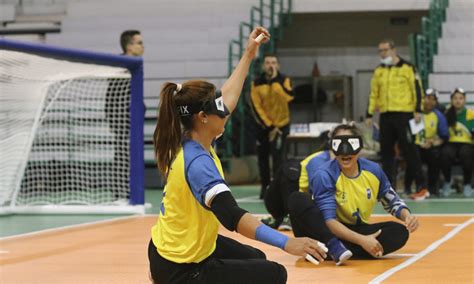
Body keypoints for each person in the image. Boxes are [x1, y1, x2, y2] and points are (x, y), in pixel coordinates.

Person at [148, 27, 327, 284]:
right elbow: (232, 216)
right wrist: (288, 242)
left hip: (170, 249)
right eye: (218, 108)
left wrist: (248, 54)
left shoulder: (195, 138)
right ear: (203, 117)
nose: (226, 111)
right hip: (181, 268)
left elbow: (228, 97)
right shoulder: (198, 164)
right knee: (275, 274)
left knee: (256, 257)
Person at [288, 123, 419, 265]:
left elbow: (391, 199)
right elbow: (329, 221)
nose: (345, 151)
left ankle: (330, 251)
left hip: (355, 229)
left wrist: (407, 215)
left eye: (351, 143)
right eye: (339, 143)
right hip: (324, 231)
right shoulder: (324, 174)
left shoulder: (373, 170)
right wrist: (362, 240)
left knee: (398, 231)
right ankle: (336, 247)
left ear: (359, 146)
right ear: (332, 146)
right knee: (297, 198)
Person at [366, 39, 424, 196]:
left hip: (405, 114)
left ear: (393, 50)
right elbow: (373, 93)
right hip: (385, 115)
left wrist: (418, 109)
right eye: (380, 51)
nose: (382, 53)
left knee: (410, 150)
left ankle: (421, 186)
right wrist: (369, 113)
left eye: (384, 50)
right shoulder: (379, 70)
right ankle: (388, 188)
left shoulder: (408, 67)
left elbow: (417, 89)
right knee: (386, 152)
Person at [261, 131, 334, 230]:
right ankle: (288, 216)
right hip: (285, 199)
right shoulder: (318, 159)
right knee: (291, 170)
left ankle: (284, 217)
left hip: (295, 199)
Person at [250, 54, 294, 199]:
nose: (270, 65)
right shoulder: (256, 82)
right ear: (263, 66)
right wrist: (269, 127)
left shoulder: (284, 80)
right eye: (268, 63)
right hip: (263, 127)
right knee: (263, 158)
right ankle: (265, 187)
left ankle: (278, 189)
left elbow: (288, 97)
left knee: (279, 159)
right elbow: (256, 107)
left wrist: (275, 81)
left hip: (282, 125)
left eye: (273, 63)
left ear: (278, 65)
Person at [408, 88, 449, 200]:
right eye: (427, 98)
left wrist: (432, 142)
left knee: (435, 155)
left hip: (431, 146)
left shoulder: (438, 116)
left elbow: (444, 136)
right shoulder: (414, 113)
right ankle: (416, 187)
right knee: (411, 154)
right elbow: (407, 134)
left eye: (432, 99)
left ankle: (432, 187)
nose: (429, 101)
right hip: (416, 146)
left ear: (436, 102)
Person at [440, 88, 474, 197]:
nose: (458, 101)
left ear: (464, 100)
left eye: (460, 98)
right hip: (451, 142)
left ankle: (467, 184)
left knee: (466, 153)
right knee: (445, 153)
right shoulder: (446, 114)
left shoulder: (471, 114)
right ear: (451, 100)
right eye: (455, 98)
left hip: (467, 143)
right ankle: (447, 181)